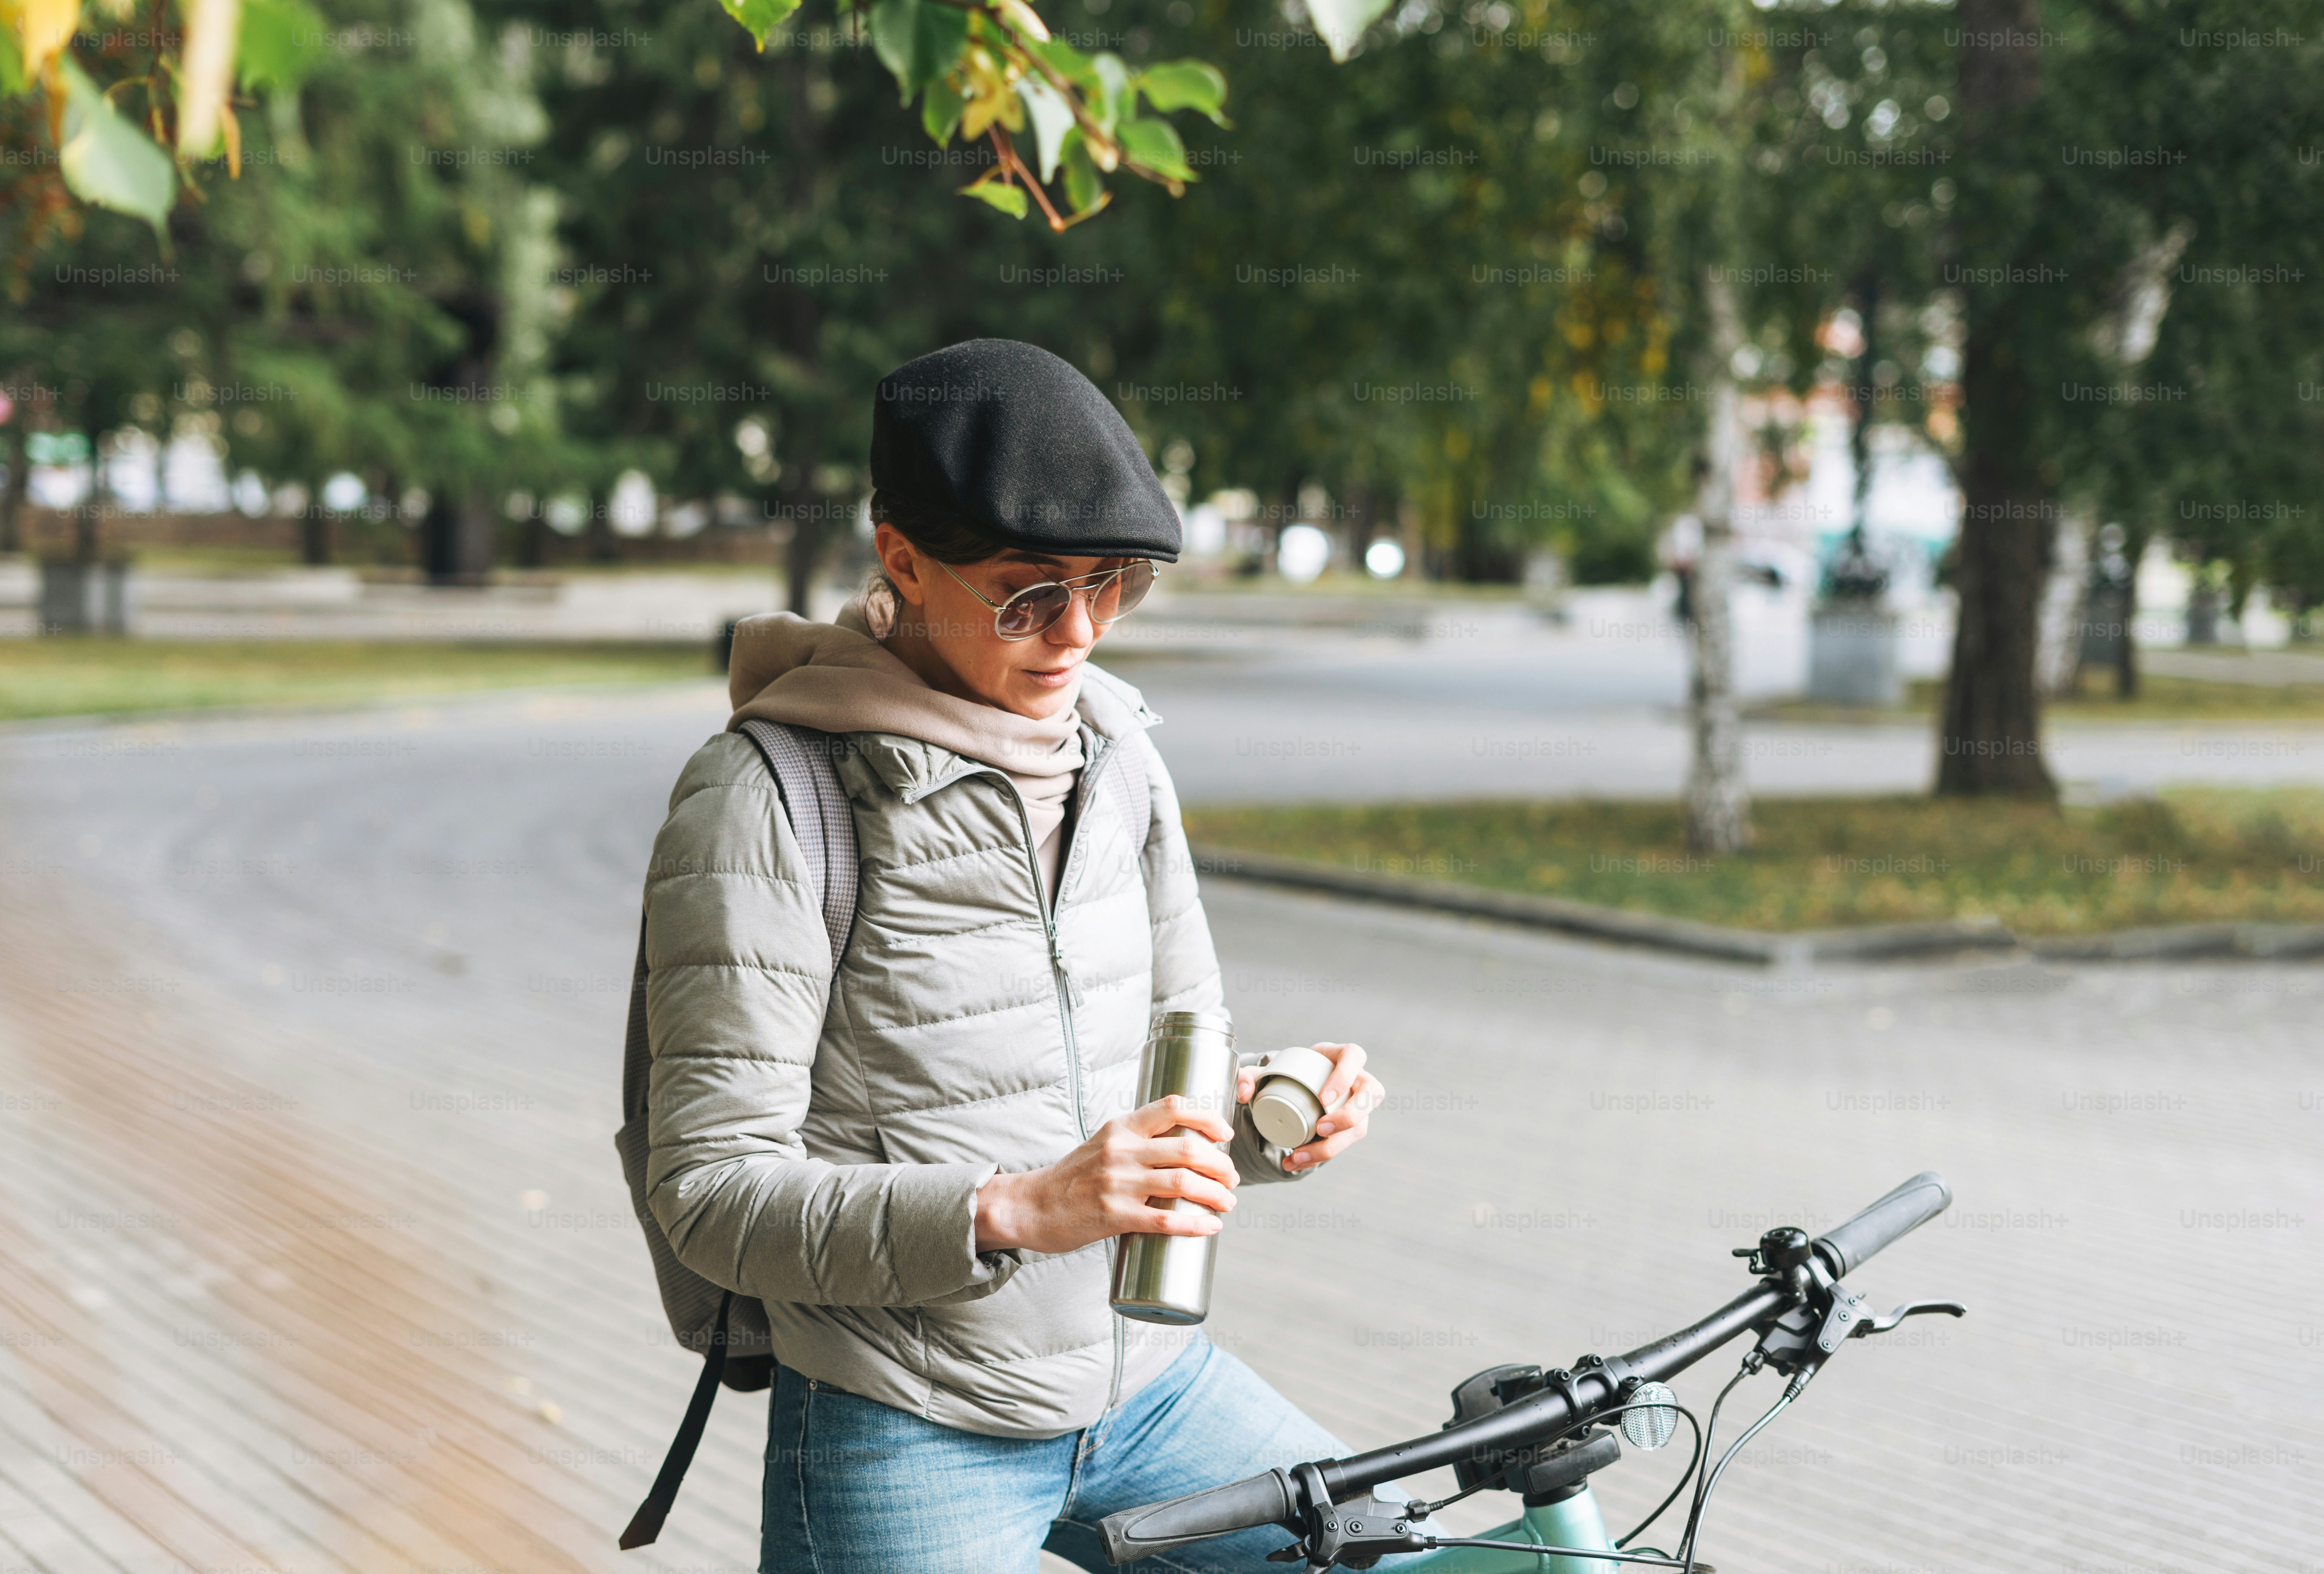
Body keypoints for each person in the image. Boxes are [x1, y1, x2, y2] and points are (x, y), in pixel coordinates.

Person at [639, 339, 1400, 1573]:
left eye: (1113, 584)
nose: (1080, 632)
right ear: (901, 559)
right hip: (905, 1425)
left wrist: (1265, 1121)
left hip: (1149, 1389)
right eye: (1026, 591)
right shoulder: (768, 798)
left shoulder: (1116, 757)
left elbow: (1163, 1095)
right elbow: (711, 1196)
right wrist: (1018, 1211)